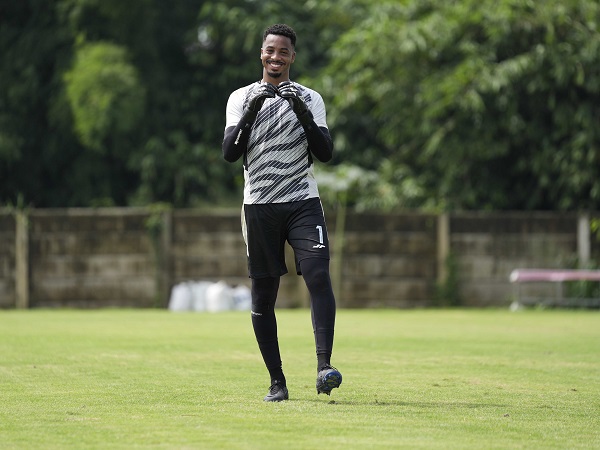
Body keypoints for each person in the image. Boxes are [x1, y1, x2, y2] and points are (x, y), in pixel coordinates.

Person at [222, 23, 342, 402]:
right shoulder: (240, 97)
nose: (276, 57)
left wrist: (299, 108)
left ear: (293, 57)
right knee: (263, 296)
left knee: (319, 273)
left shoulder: (310, 97)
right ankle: (277, 382)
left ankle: (324, 367)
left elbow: (324, 152)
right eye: (270, 50)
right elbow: (229, 152)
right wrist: (255, 108)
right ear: (262, 53)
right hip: (259, 206)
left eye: (283, 52)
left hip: (302, 201)